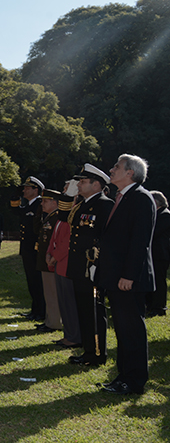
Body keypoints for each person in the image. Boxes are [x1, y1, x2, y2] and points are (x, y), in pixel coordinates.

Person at [96, 154, 155, 395]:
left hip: (129, 279)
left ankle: (134, 381)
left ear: (130, 172)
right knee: (122, 329)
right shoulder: (122, 197)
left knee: (131, 330)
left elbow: (139, 242)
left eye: (116, 167)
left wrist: (128, 276)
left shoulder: (140, 198)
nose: (111, 170)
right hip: (117, 277)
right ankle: (123, 376)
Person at [66, 164, 113, 367]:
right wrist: (68, 195)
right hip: (79, 266)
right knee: (83, 310)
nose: (79, 185)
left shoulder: (105, 205)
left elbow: (107, 238)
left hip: (93, 268)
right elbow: (64, 219)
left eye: (83, 182)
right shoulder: (82, 205)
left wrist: (98, 263)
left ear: (96, 185)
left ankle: (97, 354)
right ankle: (87, 351)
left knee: (94, 311)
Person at [46, 180, 81, 348]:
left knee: (69, 302)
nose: (63, 192)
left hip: (66, 262)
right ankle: (69, 334)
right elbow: (55, 235)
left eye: (66, 189)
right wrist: (48, 253)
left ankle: (74, 336)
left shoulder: (74, 213)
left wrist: (54, 257)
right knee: (63, 301)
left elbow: (67, 241)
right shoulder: (63, 214)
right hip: (59, 263)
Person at [11, 176, 45, 321]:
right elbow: (15, 210)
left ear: (35, 190)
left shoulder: (40, 205)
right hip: (27, 250)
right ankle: (34, 310)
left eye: (26, 188)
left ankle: (41, 312)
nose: (24, 190)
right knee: (31, 281)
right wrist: (15, 195)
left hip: (35, 250)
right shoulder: (28, 205)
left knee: (37, 281)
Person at [35, 189, 63, 333]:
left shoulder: (57, 217)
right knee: (48, 293)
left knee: (53, 293)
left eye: (45, 201)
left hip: (51, 262)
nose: (42, 204)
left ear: (54, 202)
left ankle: (54, 322)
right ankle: (50, 320)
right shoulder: (50, 217)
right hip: (45, 261)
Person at [147, 190, 169, 317]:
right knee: (153, 280)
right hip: (154, 253)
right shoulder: (157, 214)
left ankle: (159, 307)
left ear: (156, 202)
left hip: (160, 254)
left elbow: (154, 232)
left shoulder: (165, 215)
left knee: (159, 281)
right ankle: (151, 305)